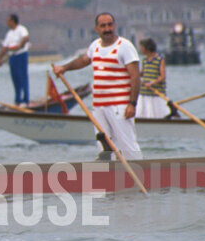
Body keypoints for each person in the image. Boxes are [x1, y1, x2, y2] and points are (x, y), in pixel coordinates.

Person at [52, 13, 141, 160]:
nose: (107, 29)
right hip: (99, 106)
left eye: (110, 25)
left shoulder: (125, 46)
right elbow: (83, 61)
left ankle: (139, 173)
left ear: (115, 26)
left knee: (128, 144)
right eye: (103, 26)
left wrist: (132, 104)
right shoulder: (95, 46)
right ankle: (108, 176)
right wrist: (64, 68)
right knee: (104, 147)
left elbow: (135, 77)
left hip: (120, 106)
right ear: (97, 29)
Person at [0, 14, 30, 105]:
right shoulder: (9, 33)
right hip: (12, 57)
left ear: (12, 21)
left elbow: (26, 38)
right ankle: (17, 100)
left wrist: (20, 45)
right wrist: (0, 58)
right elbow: (4, 47)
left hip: (21, 55)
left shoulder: (21, 29)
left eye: (8, 21)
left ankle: (25, 100)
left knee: (23, 77)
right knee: (15, 78)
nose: (7, 22)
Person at [136, 38, 167, 119]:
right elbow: (142, 73)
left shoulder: (160, 59)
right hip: (144, 92)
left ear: (147, 48)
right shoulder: (145, 60)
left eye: (142, 47)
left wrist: (151, 83)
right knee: (141, 113)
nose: (140, 49)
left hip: (155, 93)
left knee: (155, 114)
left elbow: (162, 77)